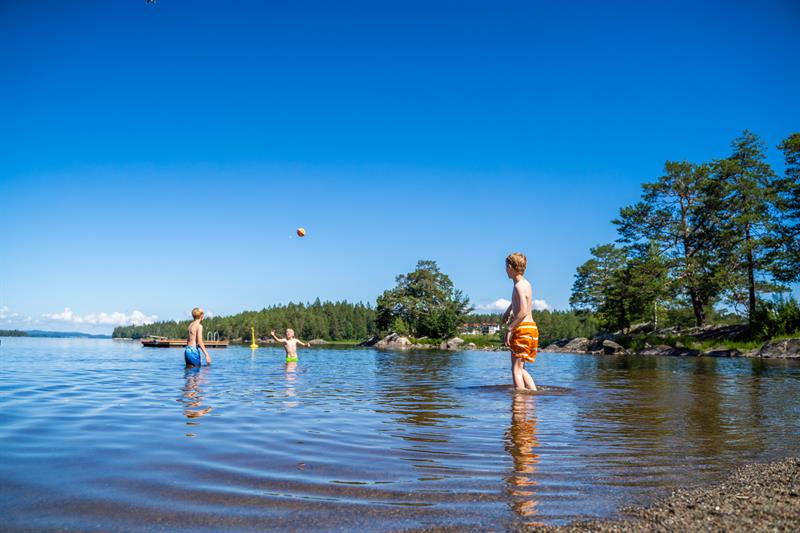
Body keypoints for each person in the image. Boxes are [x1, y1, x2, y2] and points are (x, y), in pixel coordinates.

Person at [502, 252, 538, 390]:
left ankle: (519, 401)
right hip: (531, 329)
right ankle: (533, 394)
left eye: (506, 266)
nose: (505, 269)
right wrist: (508, 310)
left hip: (522, 329)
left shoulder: (517, 286)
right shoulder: (526, 284)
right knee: (520, 368)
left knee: (515, 369)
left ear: (511, 267)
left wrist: (510, 329)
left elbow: (522, 311)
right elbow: (522, 301)